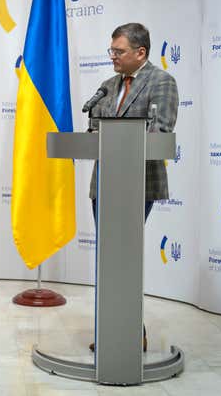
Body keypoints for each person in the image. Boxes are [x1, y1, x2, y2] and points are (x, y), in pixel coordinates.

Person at [87, 23, 178, 352]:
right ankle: (113, 330)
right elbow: (95, 131)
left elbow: (161, 133)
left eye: (119, 51)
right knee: (108, 259)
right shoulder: (107, 86)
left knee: (123, 257)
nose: (113, 56)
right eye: (111, 50)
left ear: (141, 53)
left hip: (138, 184)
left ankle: (127, 332)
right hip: (104, 184)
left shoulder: (162, 81)